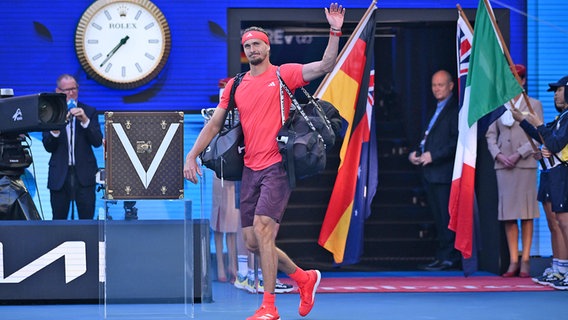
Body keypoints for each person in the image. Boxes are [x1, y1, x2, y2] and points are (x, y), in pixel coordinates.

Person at [184, 4, 345, 319]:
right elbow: (214, 124)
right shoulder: (236, 85)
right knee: (253, 241)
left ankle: (269, 307)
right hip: (250, 170)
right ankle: (303, 277)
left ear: (267, 46)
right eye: (247, 45)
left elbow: (326, 64)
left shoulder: (284, 74)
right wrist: (192, 154)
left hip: (277, 167)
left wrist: (335, 29)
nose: (252, 48)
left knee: (263, 230)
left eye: (256, 43)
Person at [485, 64, 543, 278]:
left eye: (516, 78)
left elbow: (539, 134)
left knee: (526, 214)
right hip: (504, 165)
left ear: (523, 80)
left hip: (524, 164)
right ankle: (513, 260)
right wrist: (498, 154)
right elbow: (490, 135)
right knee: (509, 215)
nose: (513, 81)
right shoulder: (499, 106)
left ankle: (526, 259)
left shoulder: (533, 105)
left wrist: (519, 153)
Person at [512, 75, 568, 290]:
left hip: (562, 174)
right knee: (555, 224)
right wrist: (523, 122)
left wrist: (538, 124)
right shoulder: (562, 117)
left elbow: (553, 142)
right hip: (551, 173)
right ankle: (560, 268)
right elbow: (546, 139)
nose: (555, 94)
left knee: (563, 224)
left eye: (559, 90)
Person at [409, 70, 460, 271]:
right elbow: (427, 138)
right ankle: (442, 255)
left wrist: (434, 155)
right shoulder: (435, 109)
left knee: (446, 218)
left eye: (440, 85)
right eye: (433, 85)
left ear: (451, 86)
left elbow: (456, 142)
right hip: (430, 174)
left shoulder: (454, 110)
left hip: (443, 173)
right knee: (438, 218)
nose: (436, 89)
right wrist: (416, 152)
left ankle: (450, 257)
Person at [42, 74, 103, 220]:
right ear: (58, 91)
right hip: (60, 176)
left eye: (74, 89)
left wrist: (85, 121)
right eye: (67, 90)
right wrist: (57, 127)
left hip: (84, 175)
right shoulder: (50, 113)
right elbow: (48, 146)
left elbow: (97, 142)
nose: (71, 93)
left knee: (87, 219)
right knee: (59, 219)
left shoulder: (89, 111)